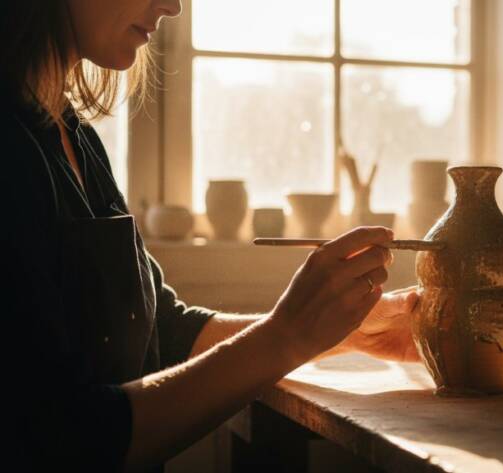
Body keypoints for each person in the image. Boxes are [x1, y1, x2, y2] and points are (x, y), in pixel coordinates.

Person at [1, 1, 420, 470]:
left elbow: (164, 334)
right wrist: (287, 335)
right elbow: (68, 438)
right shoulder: (10, 148)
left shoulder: (73, 135)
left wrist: (345, 329)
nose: (172, 6)